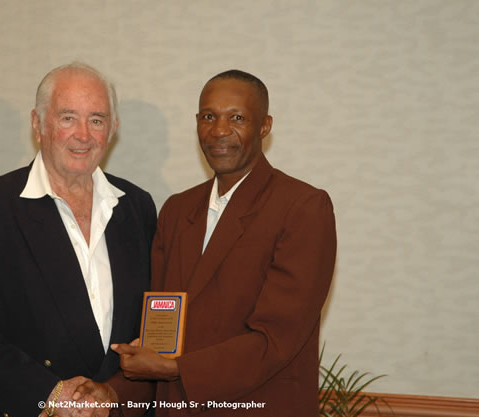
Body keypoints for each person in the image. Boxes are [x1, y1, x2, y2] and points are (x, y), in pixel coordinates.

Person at [105, 70, 337, 416]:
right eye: (208, 117)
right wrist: (109, 394)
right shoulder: (177, 210)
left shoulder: (302, 207)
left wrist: (174, 369)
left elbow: (276, 339)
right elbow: (161, 331)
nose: (219, 130)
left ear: (265, 126)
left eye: (238, 118)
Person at [0, 62, 156, 417]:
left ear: (113, 129)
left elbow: (147, 325)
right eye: (68, 117)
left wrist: (113, 395)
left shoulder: (137, 207)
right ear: (38, 124)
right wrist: (50, 397)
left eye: (97, 119)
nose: (83, 134)